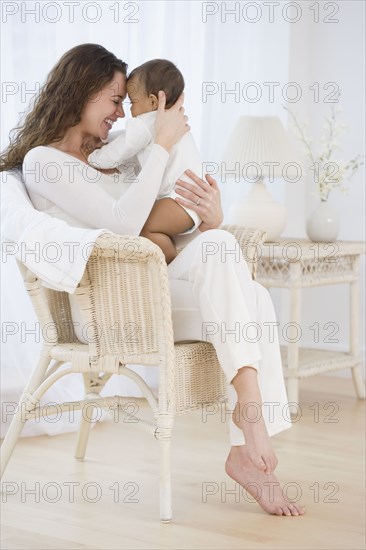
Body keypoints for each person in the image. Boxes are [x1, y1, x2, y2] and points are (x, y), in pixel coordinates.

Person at [0, 43, 304, 517]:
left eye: (125, 101)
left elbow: (152, 225)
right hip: (109, 312)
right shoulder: (45, 162)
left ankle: (247, 441)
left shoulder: (112, 159)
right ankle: (248, 430)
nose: (121, 113)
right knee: (250, 290)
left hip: (155, 294)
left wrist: (208, 220)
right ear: (79, 92)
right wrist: (161, 143)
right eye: (113, 99)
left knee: (234, 264)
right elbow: (124, 226)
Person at [87, 59, 204, 264]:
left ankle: (171, 264)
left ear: (152, 101)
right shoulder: (166, 121)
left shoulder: (147, 122)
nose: (128, 112)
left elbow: (122, 148)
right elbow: (124, 138)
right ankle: (173, 261)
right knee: (149, 231)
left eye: (132, 102)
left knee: (141, 226)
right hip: (191, 203)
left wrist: (94, 157)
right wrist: (103, 140)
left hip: (179, 201)